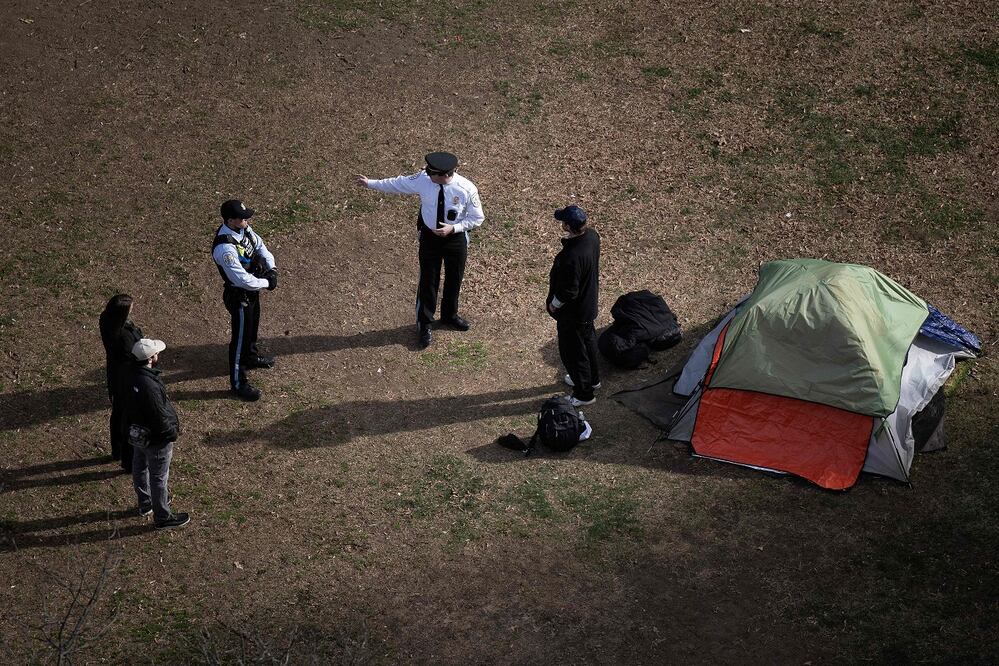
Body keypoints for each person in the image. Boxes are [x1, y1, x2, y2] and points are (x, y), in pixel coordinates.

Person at [355, 151, 485, 348]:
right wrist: (370, 183)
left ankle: (450, 316)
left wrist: (454, 228)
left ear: (444, 175)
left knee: (454, 277)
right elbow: (397, 183)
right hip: (430, 238)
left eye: (431, 172)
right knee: (428, 280)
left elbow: (477, 218)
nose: (426, 173)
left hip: (455, 239)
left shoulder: (466, 188)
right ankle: (424, 323)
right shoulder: (424, 180)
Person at [212, 199, 278, 401]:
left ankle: (250, 357)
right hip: (239, 295)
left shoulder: (243, 230)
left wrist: (271, 268)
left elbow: (260, 246)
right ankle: (238, 383)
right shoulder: (225, 248)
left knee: (252, 327)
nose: (247, 219)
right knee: (239, 340)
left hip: (252, 290)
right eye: (243, 217)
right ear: (231, 220)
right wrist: (267, 282)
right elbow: (239, 278)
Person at [125, 338, 190, 530]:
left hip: (138, 433)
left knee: (140, 467)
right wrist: (171, 432)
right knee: (159, 477)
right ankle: (162, 516)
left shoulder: (129, 375)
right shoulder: (149, 385)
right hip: (157, 439)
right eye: (156, 353)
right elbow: (159, 415)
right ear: (151, 358)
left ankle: (145, 503)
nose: (158, 355)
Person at [546, 205, 601, 407]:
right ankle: (593, 380)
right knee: (588, 344)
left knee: (573, 353)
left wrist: (553, 305)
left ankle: (583, 393)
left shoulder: (570, 257)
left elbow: (569, 291)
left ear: (568, 226)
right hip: (588, 306)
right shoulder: (593, 237)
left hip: (573, 314)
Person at [98, 294, 144, 471]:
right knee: (127, 418)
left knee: (117, 414)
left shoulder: (106, 320)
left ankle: (116, 450)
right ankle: (127, 457)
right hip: (126, 379)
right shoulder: (124, 338)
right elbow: (134, 356)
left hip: (115, 375)